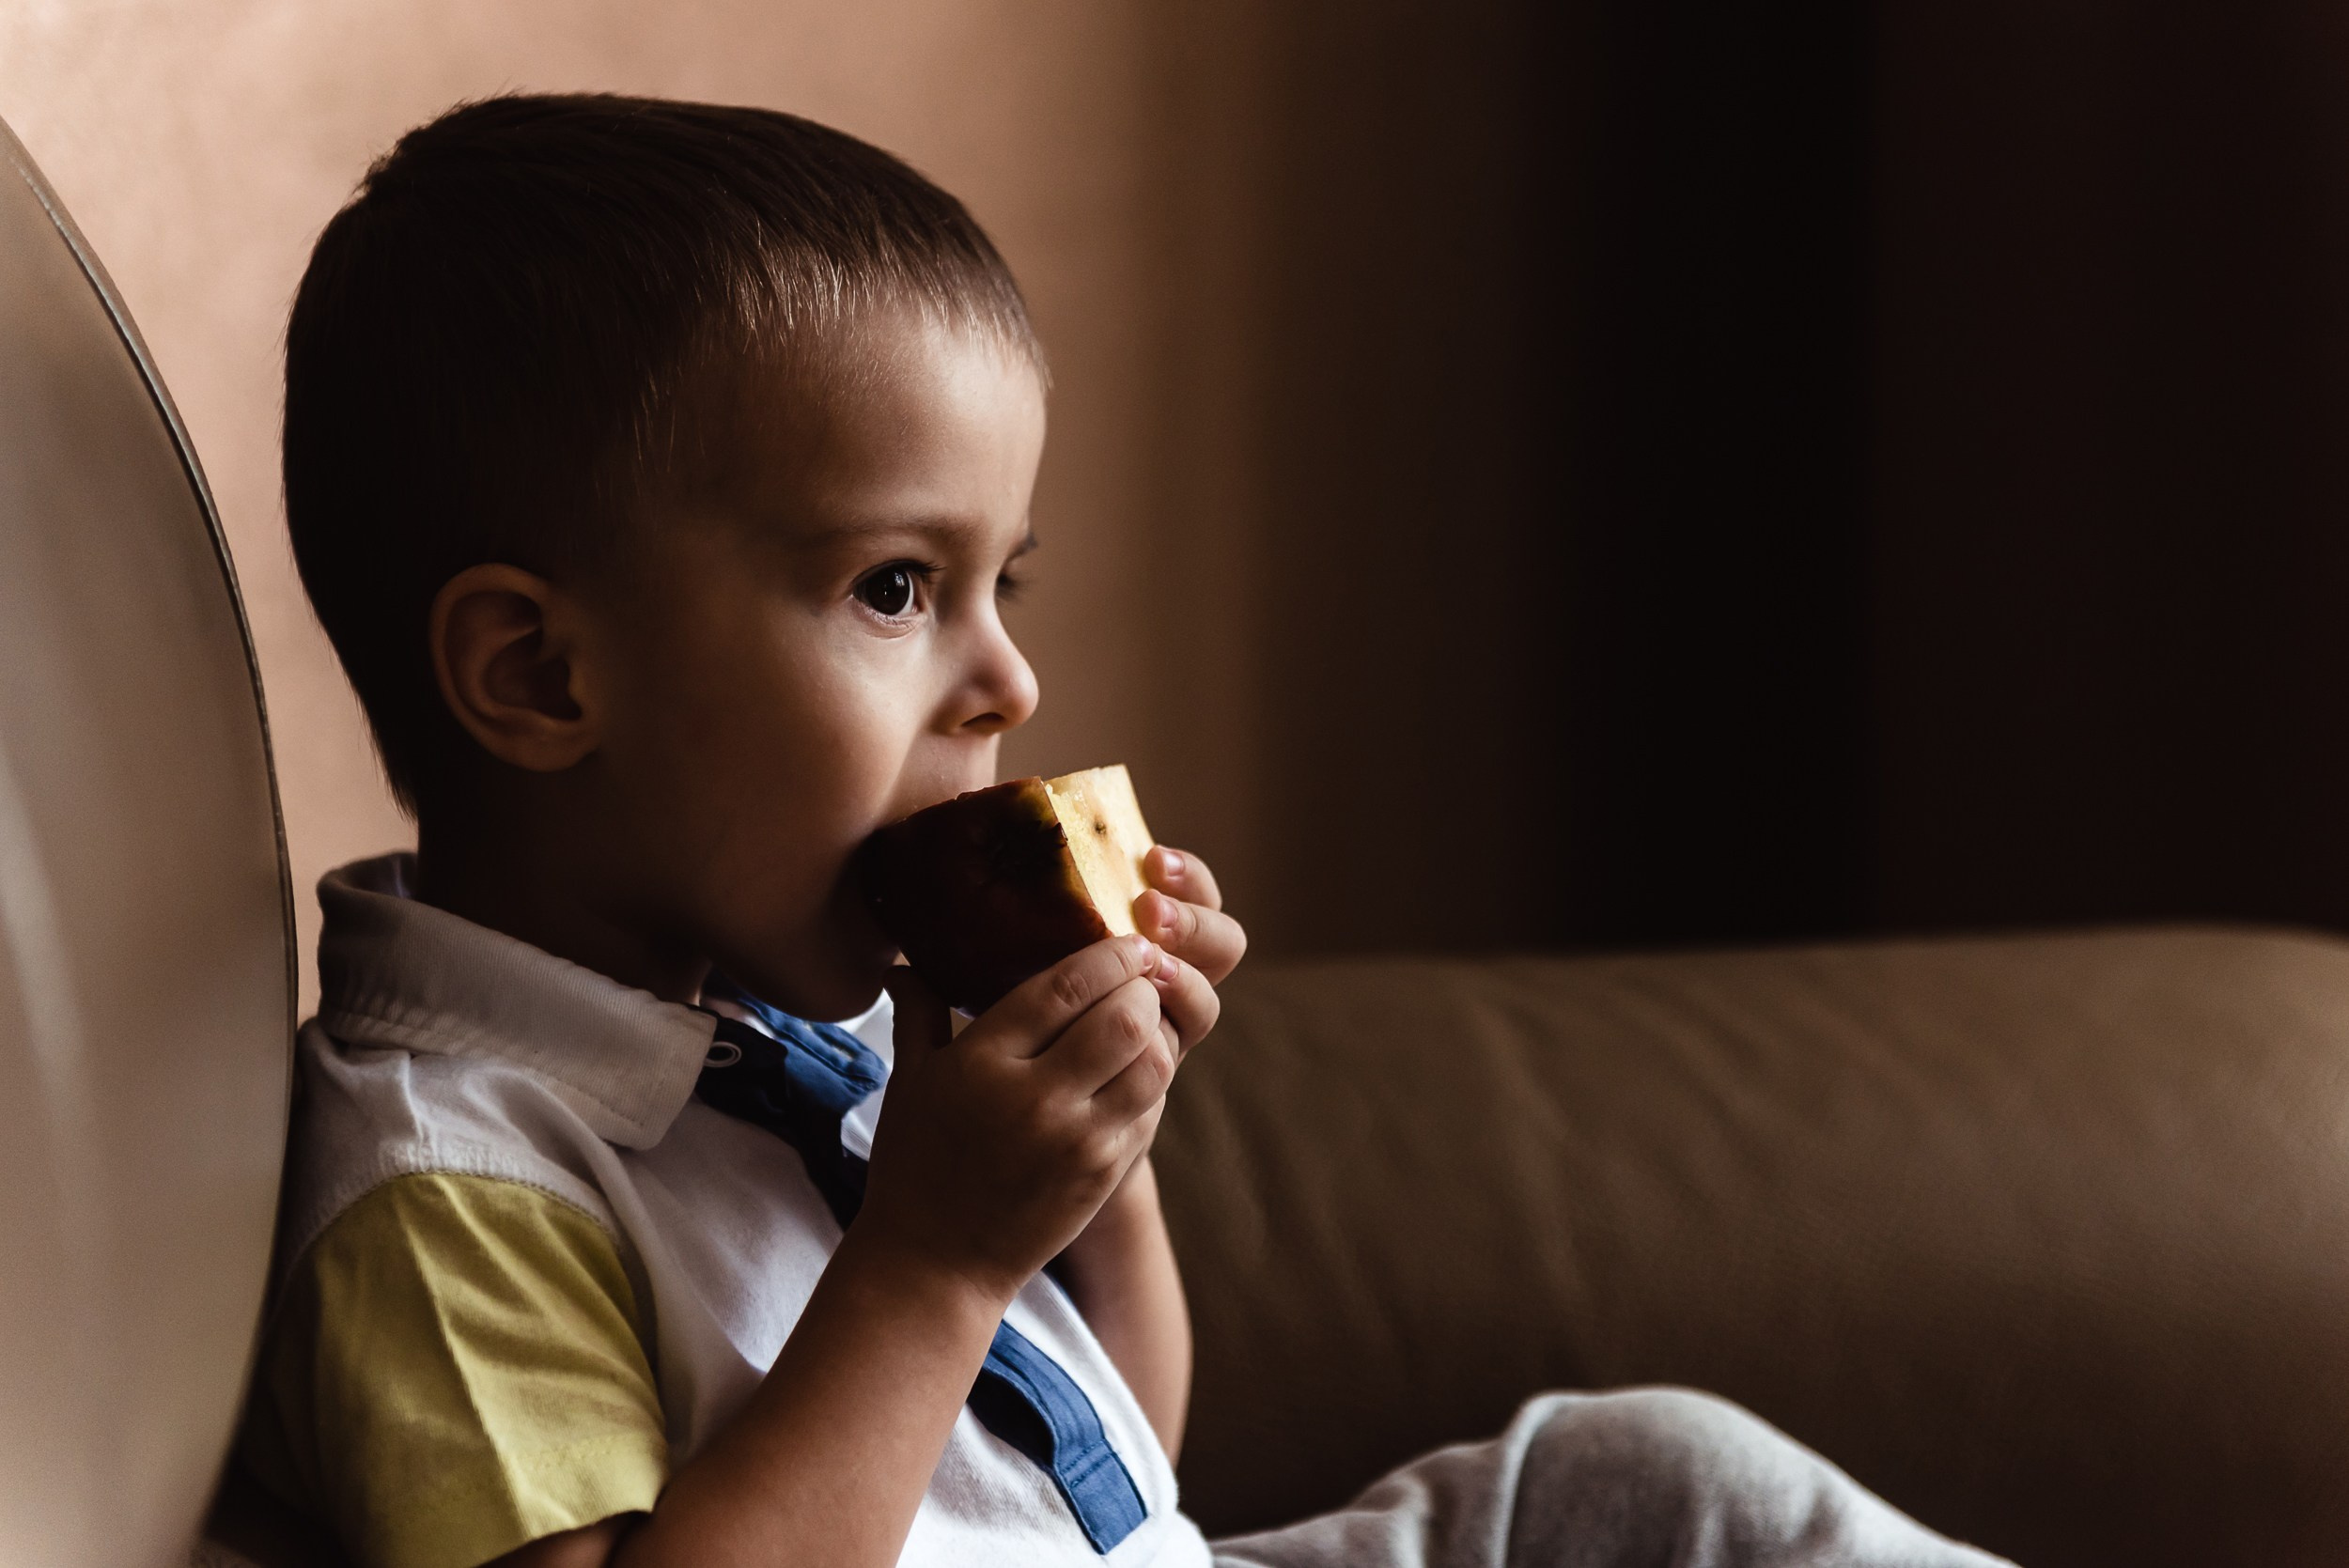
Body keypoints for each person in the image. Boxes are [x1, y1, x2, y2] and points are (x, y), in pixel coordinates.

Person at [230, 93, 2012, 1568]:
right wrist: (933, 1258)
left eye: (1003, 581)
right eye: (897, 584)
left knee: (1640, 1481)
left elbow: (1115, 1466)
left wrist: (1100, 1162)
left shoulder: (804, 1016)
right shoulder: (451, 1181)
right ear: (541, 672)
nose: (1004, 674)